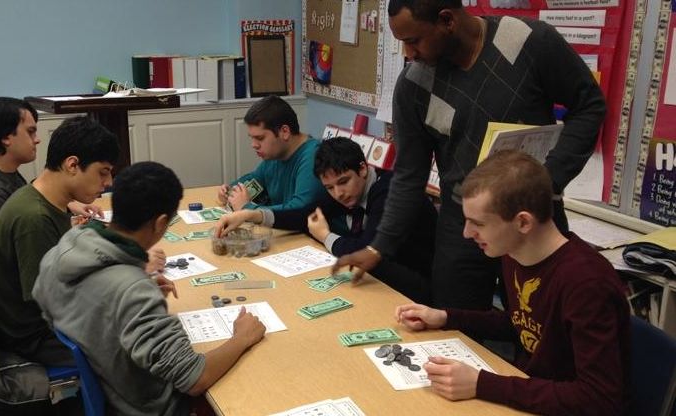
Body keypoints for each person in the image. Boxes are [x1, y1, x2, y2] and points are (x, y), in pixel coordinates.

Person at [333, 0, 606, 311]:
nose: (409, 54)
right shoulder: (413, 86)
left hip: (530, 218)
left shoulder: (529, 41)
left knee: (539, 330)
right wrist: (379, 246)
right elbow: (410, 175)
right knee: (454, 322)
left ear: (447, 20)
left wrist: (550, 178)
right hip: (463, 223)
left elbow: (589, 105)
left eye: (413, 40)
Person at [394, 150, 629, 415]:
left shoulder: (586, 283)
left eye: (477, 223)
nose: (467, 233)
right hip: (531, 394)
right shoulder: (514, 253)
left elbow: (599, 398)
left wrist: (482, 384)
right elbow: (522, 322)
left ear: (523, 222)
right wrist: (446, 316)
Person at [33, 161, 266, 416]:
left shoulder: (68, 245)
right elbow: (194, 379)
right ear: (160, 222)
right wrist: (241, 338)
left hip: (106, 385)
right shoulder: (134, 292)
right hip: (145, 406)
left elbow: (57, 301)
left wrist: (124, 296)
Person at [216, 137, 436, 303]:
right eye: (329, 187)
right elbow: (305, 215)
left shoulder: (389, 192)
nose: (339, 193)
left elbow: (365, 251)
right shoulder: (348, 191)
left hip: (416, 289)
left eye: (343, 182)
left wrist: (325, 236)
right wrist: (252, 214)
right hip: (382, 282)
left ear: (363, 168)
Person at [0, 116, 119, 366]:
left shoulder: (43, 200)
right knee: (142, 344)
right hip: (39, 339)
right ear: (72, 165)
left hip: (49, 323)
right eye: (103, 172)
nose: (108, 183)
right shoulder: (33, 218)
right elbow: (53, 302)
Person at [0, 97, 102, 265]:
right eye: (30, 132)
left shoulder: (1, 172)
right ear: (6, 137)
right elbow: (12, 255)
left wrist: (68, 204)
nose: (37, 139)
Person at [217, 95, 325, 211]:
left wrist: (248, 209)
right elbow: (255, 179)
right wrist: (229, 191)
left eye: (260, 138)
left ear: (284, 131)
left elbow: (300, 209)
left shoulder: (313, 156)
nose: (254, 145)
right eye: (252, 138)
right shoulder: (276, 155)